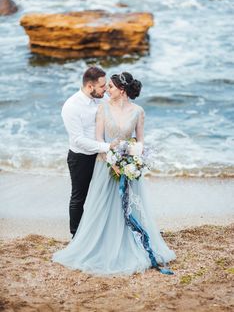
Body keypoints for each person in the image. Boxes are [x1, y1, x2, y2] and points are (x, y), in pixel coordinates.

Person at [53, 72, 176, 275]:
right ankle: (85, 239)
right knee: (96, 203)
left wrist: (133, 160)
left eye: (109, 87)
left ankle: (131, 240)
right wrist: (113, 158)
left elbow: (140, 141)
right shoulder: (100, 108)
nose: (106, 90)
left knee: (129, 206)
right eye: (104, 86)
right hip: (105, 164)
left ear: (121, 90)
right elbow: (98, 138)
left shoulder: (138, 111)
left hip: (127, 164)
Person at [61, 66, 117, 238]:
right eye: (102, 86)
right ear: (90, 86)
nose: (106, 89)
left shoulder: (101, 98)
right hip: (81, 157)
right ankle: (76, 235)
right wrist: (108, 147)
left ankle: (106, 230)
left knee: (107, 193)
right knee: (79, 196)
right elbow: (78, 140)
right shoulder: (71, 106)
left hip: (102, 154)